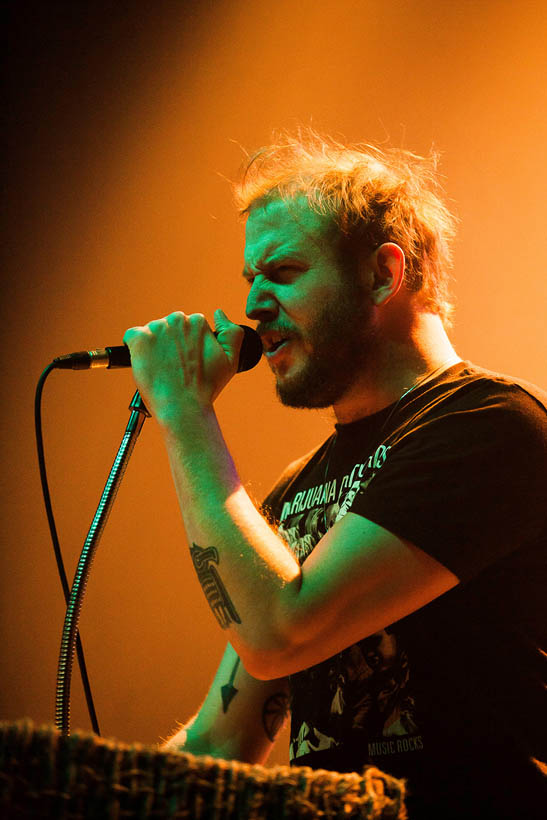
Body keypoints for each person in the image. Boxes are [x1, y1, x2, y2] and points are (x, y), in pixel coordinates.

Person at [124, 131, 547, 818]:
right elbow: (223, 740)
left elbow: (278, 631)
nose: (253, 305)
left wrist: (185, 413)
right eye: (248, 280)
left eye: (283, 272)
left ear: (383, 273)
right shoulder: (297, 488)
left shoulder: (489, 426)